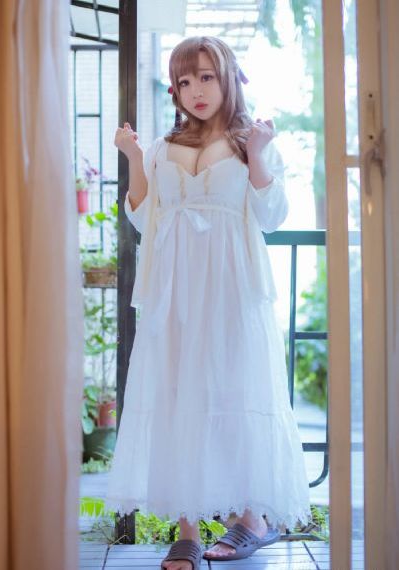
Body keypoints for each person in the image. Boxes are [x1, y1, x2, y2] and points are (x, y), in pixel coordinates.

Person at [105, 35, 311, 570]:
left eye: (206, 76)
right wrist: (133, 157)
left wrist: (259, 154)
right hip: (174, 294)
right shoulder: (161, 147)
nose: (195, 90)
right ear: (174, 90)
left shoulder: (249, 141)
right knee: (178, 396)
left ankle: (251, 519)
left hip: (233, 288)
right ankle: (188, 528)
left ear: (227, 79)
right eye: (184, 80)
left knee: (238, 388)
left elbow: (272, 215)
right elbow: (141, 216)